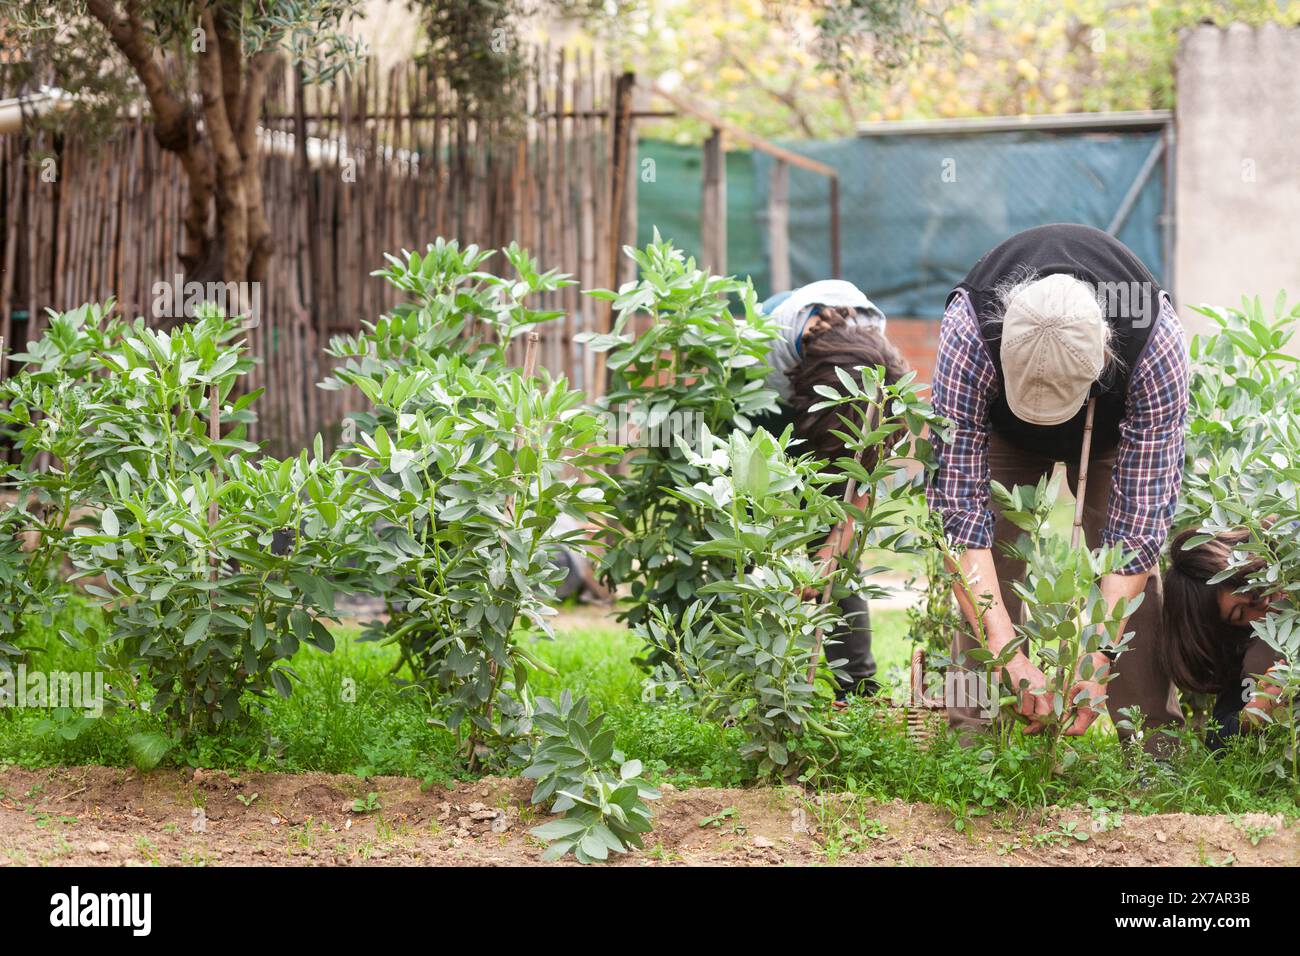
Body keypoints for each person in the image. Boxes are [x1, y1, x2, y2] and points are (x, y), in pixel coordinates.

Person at [926, 223, 1189, 748]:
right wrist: (1008, 654)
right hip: (1003, 430)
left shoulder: (1154, 344)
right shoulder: (970, 330)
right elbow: (958, 521)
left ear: (1104, 355)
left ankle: (1152, 744)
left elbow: (1134, 537)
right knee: (988, 566)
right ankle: (970, 743)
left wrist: (1095, 662)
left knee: (1135, 579)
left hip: (1113, 430)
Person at [754, 280, 909, 700]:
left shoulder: (870, 357)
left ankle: (857, 689)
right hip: (759, 413)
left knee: (836, 553)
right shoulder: (760, 350)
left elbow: (864, 470)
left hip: (832, 411)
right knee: (745, 545)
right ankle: (754, 682)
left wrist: (831, 549)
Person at [1162, 527, 1286, 749]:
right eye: (1240, 614)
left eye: (1255, 588)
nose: (1264, 603)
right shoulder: (1253, 653)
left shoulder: (1288, 540)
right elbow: (1217, 738)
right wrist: (1253, 714)